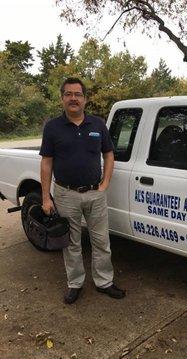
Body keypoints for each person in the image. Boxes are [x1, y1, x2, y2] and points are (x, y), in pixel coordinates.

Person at [39, 77, 125, 304]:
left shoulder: (98, 125)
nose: (73, 98)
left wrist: (105, 183)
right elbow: (46, 162)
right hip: (65, 194)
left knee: (101, 241)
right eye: (68, 94)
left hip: (95, 193)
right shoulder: (52, 127)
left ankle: (104, 282)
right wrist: (45, 197)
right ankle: (75, 283)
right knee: (71, 243)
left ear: (85, 99)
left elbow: (108, 154)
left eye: (78, 94)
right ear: (62, 98)